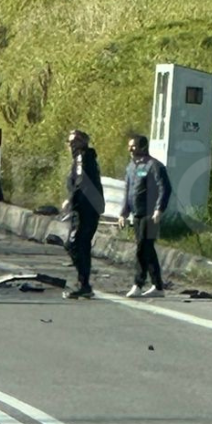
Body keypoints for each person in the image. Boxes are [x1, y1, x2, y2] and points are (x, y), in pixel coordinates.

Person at [118, 133, 172, 297]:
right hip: (137, 213)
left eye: (133, 145)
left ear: (143, 147)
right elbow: (128, 192)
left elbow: (165, 188)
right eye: (129, 145)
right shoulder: (131, 167)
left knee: (142, 249)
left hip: (150, 213)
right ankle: (158, 286)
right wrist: (123, 213)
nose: (130, 148)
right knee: (147, 249)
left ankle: (138, 283)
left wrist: (159, 209)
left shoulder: (154, 165)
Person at [60, 128, 105, 299]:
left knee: (75, 244)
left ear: (82, 143)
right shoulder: (84, 159)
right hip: (84, 208)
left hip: (85, 209)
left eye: (74, 142)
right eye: (69, 142)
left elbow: (81, 183)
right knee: (79, 245)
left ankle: (84, 283)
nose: (71, 145)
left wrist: (70, 201)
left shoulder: (82, 158)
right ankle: (83, 283)